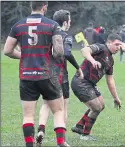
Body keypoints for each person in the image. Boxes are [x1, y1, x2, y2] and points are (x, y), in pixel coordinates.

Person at [3, 1, 68, 147]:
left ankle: (29, 145)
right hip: (47, 75)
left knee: (28, 115)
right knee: (58, 111)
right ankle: (60, 142)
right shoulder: (52, 25)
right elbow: (59, 52)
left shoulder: (18, 25)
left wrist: (24, 56)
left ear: (31, 7)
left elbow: (7, 50)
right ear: (44, 6)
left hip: (26, 76)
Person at [36, 9, 83, 146]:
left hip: (45, 74)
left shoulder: (46, 34)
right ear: (65, 23)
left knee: (45, 104)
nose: (70, 23)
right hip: (60, 76)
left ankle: (41, 129)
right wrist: (78, 67)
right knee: (62, 108)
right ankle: (61, 140)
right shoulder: (65, 36)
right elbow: (67, 52)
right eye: (69, 21)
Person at [70, 33, 122, 140]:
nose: (118, 47)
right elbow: (84, 50)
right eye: (116, 44)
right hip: (81, 82)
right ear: (109, 43)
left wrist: (116, 98)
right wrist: (93, 60)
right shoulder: (101, 48)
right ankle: (85, 135)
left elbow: (110, 81)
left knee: (101, 105)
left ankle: (79, 126)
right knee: (96, 107)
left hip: (90, 84)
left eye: (119, 45)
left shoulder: (111, 61)